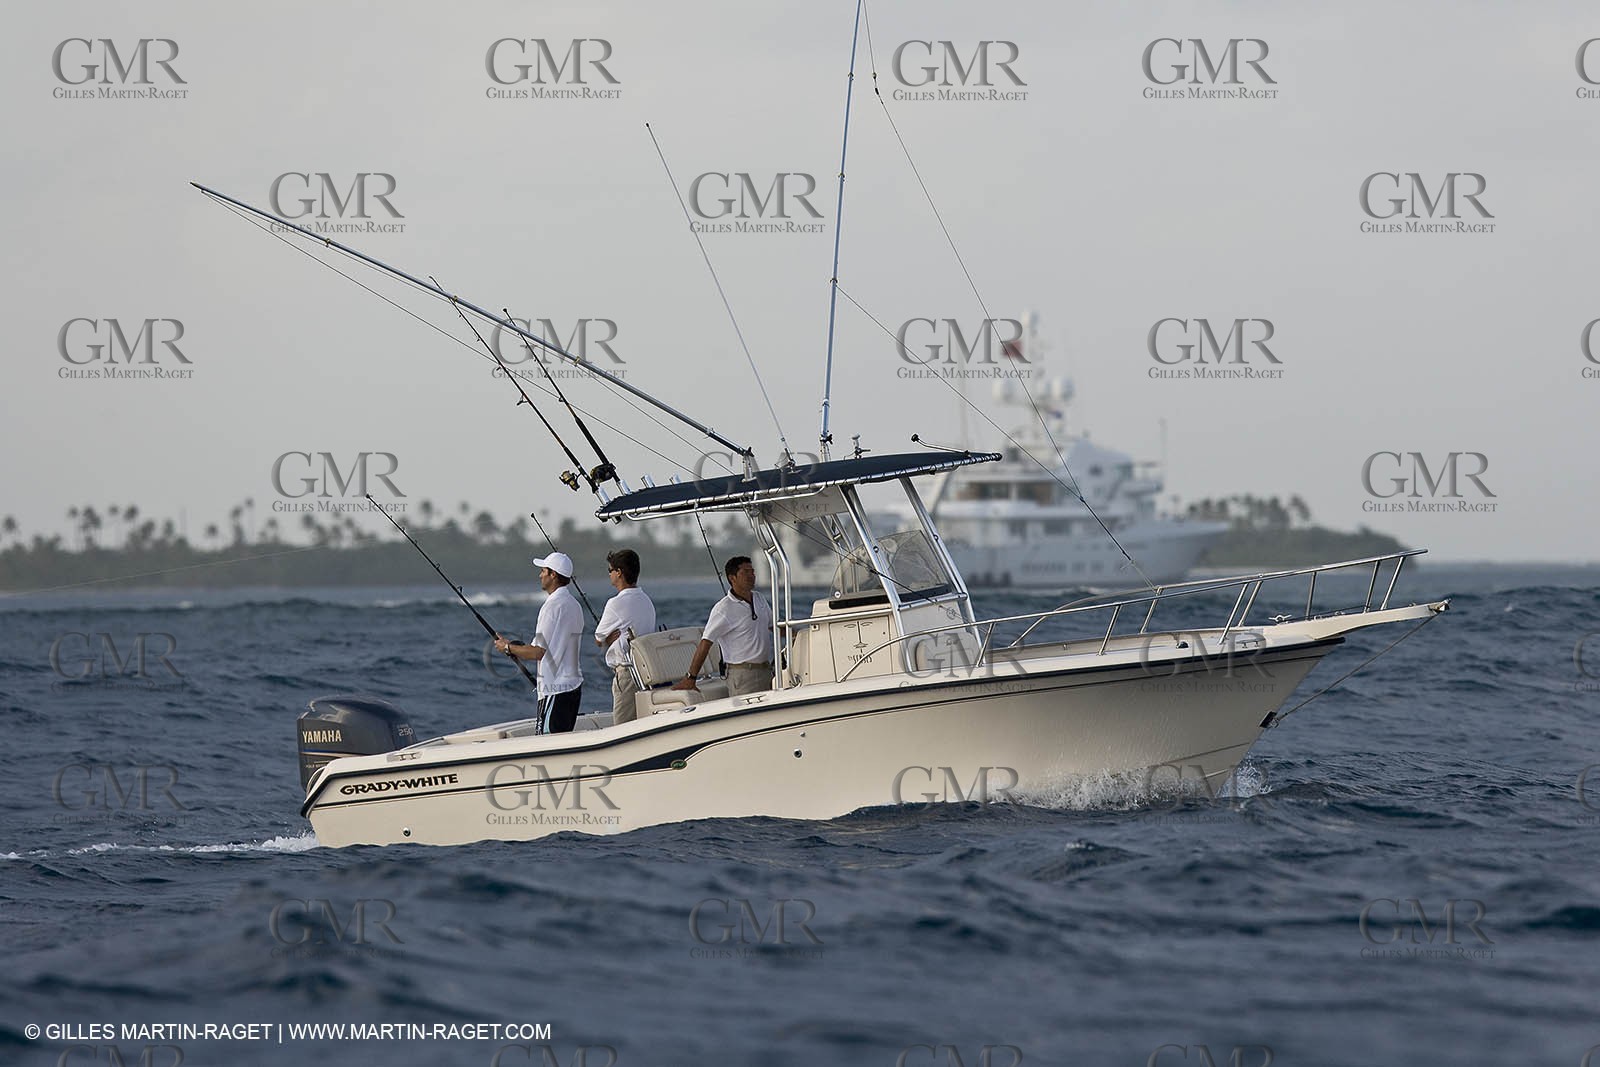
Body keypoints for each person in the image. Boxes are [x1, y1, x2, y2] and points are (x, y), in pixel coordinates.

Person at [495, 551, 583, 733]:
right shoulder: (574, 605)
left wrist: (507, 647)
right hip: (573, 688)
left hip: (555, 690)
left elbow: (538, 652)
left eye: (543, 570)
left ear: (554, 575)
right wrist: (515, 647)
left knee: (548, 745)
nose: (540, 575)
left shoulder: (551, 607)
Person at [673, 556, 773, 699]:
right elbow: (705, 643)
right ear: (732, 578)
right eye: (746, 572)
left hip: (766, 671)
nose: (752, 576)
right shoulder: (723, 609)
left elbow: (774, 626)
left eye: (753, 571)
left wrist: (797, 635)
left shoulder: (759, 598)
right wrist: (691, 677)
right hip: (743, 676)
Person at [594, 548, 656, 725]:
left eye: (610, 570)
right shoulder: (646, 600)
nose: (609, 575)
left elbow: (599, 640)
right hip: (646, 672)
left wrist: (609, 640)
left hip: (627, 674)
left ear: (619, 572)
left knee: (622, 725)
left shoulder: (615, 603)